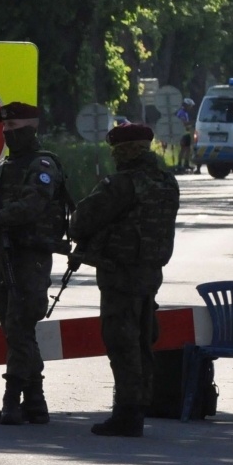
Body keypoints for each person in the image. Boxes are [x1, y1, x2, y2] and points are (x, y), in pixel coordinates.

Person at [70, 121, 181, 437]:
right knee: (143, 340)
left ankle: (127, 413)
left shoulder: (121, 184)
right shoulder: (166, 182)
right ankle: (141, 403)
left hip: (119, 273)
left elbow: (80, 222)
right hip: (150, 272)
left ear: (123, 152)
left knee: (122, 342)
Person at [0, 101, 71, 425]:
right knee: (14, 329)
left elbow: (32, 206)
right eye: (5, 129)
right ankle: (35, 402)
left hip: (31, 257)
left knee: (19, 326)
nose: (8, 134)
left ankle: (13, 402)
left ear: (31, 128)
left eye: (14, 128)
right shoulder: (0, 169)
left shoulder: (43, 165)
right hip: (2, 255)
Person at [175, 97, 197, 173]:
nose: (190, 108)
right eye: (190, 106)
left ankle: (186, 164)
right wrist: (192, 123)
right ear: (186, 105)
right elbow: (182, 123)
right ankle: (179, 164)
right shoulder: (181, 113)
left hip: (186, 133)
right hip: (182, 134)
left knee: (188, 149)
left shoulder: (186, 113)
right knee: (183, 149)